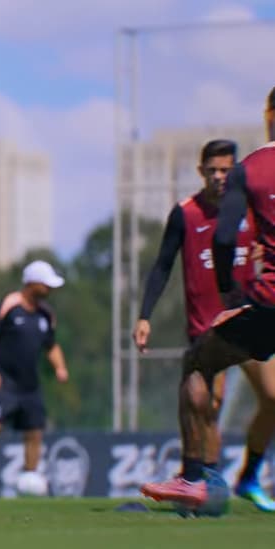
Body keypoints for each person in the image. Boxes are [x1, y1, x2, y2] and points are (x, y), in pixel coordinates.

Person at [148, 86, 275, 511]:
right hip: (248, 310)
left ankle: (194, 480)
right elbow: (167, 263)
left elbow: (225, 237)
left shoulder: (253, 170)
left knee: (197, 364)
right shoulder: (185, 212)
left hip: (263, 305)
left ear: (268, 115)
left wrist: (230, 292)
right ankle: (227, 481)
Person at [0, 260, 70, 494]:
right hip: (4, 382)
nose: (50, 290)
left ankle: (30, 479)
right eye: (46, 285)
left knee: (34, 433)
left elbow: (51, 345)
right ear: (33, 283)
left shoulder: (46, 315)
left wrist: (60, 367)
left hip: (30, 386)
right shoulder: (9, 305)